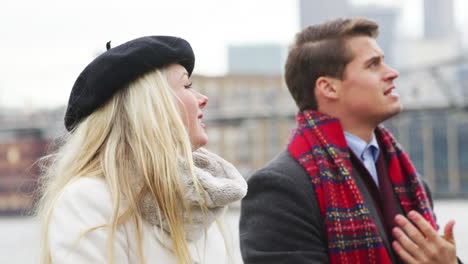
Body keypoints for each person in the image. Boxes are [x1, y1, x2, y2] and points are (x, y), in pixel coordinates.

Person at [239, 17, 460, 264]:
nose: (392, 73)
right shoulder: (279, 188)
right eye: (373, 65)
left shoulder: (412, 183)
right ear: (329, 88)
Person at [36, 36, 247, 264]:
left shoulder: (201, 202)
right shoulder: (89, 200)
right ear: (148, 105)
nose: (203, 99)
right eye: (186, 86)